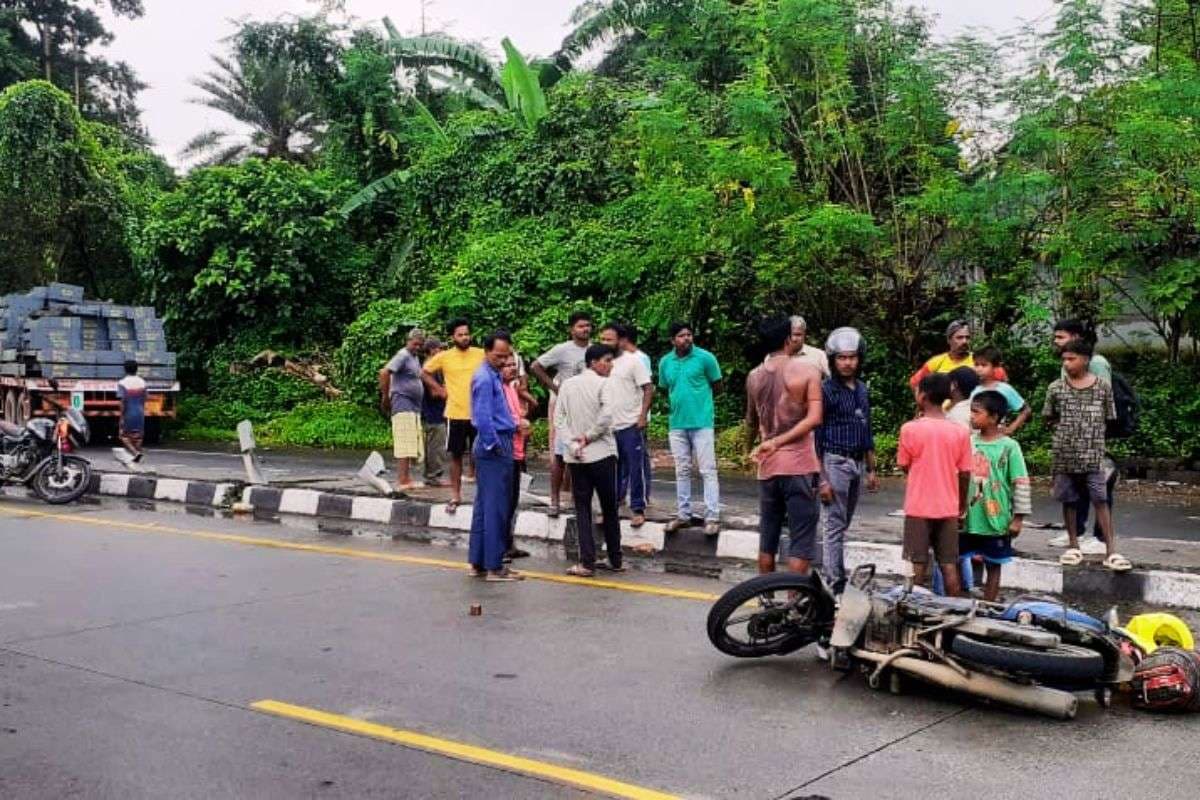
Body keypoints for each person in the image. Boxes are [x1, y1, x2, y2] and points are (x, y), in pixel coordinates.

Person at [1043, 340, 1131, 572]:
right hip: (1065, 454)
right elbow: (1048, 416)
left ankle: (1110, 549)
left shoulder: (1102, 387)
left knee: (1100, 499)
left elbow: (1109, 416)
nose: (1066, 363)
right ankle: (1073, 545)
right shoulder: (1055, 388)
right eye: (1064, 359)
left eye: (1071, 358)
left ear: (1085, 360)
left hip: (1093, 455)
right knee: (1069, 499)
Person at [746, 316, 824, 576]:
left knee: (767, 538)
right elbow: (814, 418)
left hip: (767, 467)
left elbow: (751, 421)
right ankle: (794, 596)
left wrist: (752, 449)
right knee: (801, 541)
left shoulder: (754, 376)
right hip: (799, 464)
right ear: (788, 339)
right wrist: (779, 441)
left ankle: (764, 594)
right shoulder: (807, 371)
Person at [897, 373, 972, 595]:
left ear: (923, 396)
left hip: (918, 506)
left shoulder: (910, 429)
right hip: (948, 507)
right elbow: (965, 473)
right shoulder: (960, 431)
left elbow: (904, 464)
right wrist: (961, 505)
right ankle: (954, 607)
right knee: (949, 564)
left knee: (917, 564)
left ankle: (915, 608)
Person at [817, 327, 878, 590]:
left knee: (843, 523)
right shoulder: (825, 391)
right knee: (833, 523)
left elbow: (866, 429)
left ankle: (834, 572)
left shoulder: (862, 389)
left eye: (852, 357)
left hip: (857, 462)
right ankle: (834, 581)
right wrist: (821, 479)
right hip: (835, 461)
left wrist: (871, 468)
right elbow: (816, 436)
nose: (847, 363)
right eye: (842, 358)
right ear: (833, 360)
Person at [555, 344, 623, 577]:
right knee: (609, 507)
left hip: (577, 457)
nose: (610, 365)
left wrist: (573, 444)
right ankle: (615, 558)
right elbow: (606, 417)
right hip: (602, 453)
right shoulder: (605, 384)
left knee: (582, 509)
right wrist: (589, 436)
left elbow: (559, 419)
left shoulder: (567, 385)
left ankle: (587, 562)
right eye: (607, 360)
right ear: (593, 362)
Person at [1048, 319, 1115, 553]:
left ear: (1076, 337)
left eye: (1061, 336)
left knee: (1099, 491)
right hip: (1070, 444)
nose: (1056, 341)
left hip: (1094, 441)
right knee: (1073, 492)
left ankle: (1101, 538)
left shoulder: (1097, 365)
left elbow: (1104, 404)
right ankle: (1075, 534)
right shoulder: (1061, 376)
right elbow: (1054, 411)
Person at [960, 390, 1032, 601]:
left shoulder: (1009, 447)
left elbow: (1020, 482)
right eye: (971, 411)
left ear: (993, 417)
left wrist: (1018, 518)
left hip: (996, 519)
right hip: (967, 518)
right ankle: (958, 602)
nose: (971, 416)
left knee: (993, 565)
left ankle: (988, 605)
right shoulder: (967, 442)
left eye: (977, 412)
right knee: (958, 559)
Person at [659, 322, 723, 536]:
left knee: (707, 469)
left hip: (702, 422)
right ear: (672, 340)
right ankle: (683, 515)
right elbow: (665, 388)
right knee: (682, 470)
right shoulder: (665, 362)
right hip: (677, 423)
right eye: (681, 335)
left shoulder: (705, 358)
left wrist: (702, 405)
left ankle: (712, 516)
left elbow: (717, 386)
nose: (686, 338)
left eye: (689, 334)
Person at [467, 333, 521, 582]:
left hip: (497, 442)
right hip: (495, 445)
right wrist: (494, 445)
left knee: (485, 506)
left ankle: (479, 562)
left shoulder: (493, 376)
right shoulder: (484, 378)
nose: (502, 361)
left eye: (506, 356)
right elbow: (482, 417)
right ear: (486, 352)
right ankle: (495, 566)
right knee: (496, 508)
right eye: (498, 356)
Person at [530, 312, 594, 517]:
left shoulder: (595, 350)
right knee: (560, 457)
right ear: (572, 329)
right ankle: (555, 500)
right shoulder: (562, 349)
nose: (585, 329)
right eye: (581, 326)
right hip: (566, 411)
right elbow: (536, 366)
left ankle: (578, 500)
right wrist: (556, 388)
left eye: (588, 325)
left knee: (583, 456)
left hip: (588, 410)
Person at [422, 320, 485, 513]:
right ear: (452, 337)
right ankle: (456, 495)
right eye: (460, 335)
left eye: (467, 334)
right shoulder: (444, 356)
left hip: (479, 413)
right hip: (455, 413)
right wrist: (439, 389)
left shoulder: (481, 354)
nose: (465, 337)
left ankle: (483, 496)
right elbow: (424, 372)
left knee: (481, 456)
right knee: (455, 456)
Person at [600, 323, 653, 527]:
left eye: (609, 339)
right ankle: (610, 508)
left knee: (636, 468)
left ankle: (638, 509)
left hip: (630, 424)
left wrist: (642, 416)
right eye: (602, 339)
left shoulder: (633, 362)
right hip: (608, 427)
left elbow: (648, 388)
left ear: (621, 341)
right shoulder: (601, 363)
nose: (605, 343)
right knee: (610, 470)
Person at [379, 328, 425, 491]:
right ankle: (403, 480)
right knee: (404, 441)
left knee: (411, 441)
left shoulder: (414, 357)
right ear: (408, 341)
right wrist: (385, 397)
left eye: (420, 345)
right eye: (415, 344)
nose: (417, 347)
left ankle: (407, 478)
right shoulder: (403, 355)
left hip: (413, 405)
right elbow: (384, 372)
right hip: (402, 401)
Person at [909, 319, 1007, 391]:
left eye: (967, 338)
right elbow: (915, 382)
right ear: (949, 340)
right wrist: (924, 405)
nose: (964, 341)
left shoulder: (980, 361)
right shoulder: (936, 362)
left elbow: (1002, 379)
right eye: (959, 338)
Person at [501, 350, 531, 562]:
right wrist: (518, 424)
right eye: (507, 365)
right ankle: (500, 547)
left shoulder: (512, 388)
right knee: (503, 500)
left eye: (514, 365)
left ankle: (508, 543)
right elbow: (500, 418)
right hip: (505, 451)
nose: (512, 368)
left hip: (517, 449)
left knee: (512, 500)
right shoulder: (497, 390)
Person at [971, 346, 1031, 437]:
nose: (979, 369)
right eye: (976, 365)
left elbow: (1026, 410)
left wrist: (1011, 428)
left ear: (995, 367)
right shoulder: (969, 387)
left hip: (995, 438)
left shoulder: (1004, 389)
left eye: (984, 365)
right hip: (970, 438)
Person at [419, 338, 449, 487]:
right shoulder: (432, 368)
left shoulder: (430, 366)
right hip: (434, 411)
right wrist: (448, 390)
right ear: (432, 350)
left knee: (434, 443)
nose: (442, 352)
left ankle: (431, 474)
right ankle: (433, 476)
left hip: (434, 411)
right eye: (440, 349)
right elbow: (434, 393)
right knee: (436, 445)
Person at [117, 360, 147, 462]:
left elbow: (123, 401)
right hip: (140, 412)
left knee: (123, 436)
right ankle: (137, 455)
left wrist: (121, 417)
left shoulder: (122, 383)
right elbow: (145, 398)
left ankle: (135, 453)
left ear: (125, 370)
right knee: (138, 436)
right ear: (137, 369)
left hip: (128, 413)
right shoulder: (143, 382)